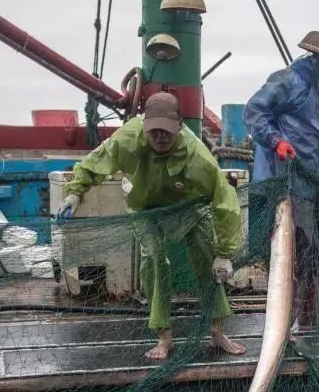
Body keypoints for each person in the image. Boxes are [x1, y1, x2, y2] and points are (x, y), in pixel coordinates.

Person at [56, 92, 246, 362]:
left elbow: (224, 200)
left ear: (180, 125)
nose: (159, 137)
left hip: (188, 207)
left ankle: (216, 331)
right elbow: (95, 162)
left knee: (207, 259)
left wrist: (225, 252)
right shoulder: (128, 138)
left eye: (166, 131)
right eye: (153, 130)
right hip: (145, 208)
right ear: (144, 124)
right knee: (155, 259)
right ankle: (164, 336)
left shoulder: (197, 157)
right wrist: (76, 192)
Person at [243, 23, 319, 333]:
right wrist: (274, 140)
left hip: (316, 188)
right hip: (287, 187)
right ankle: (287, 325)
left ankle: (316, 319)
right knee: (297, 258)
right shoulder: (292, 80)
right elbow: (255, 111)